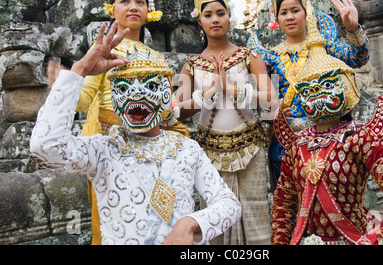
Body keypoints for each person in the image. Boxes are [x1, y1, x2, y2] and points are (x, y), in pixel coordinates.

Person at [29, 20, 241, 245]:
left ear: (167, 97)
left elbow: (229, 204)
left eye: (150, 86)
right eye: (123, 88)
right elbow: (44, 145)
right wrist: (80, 69)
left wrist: (190, 223)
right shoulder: (103, 150)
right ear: (115, 101)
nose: (136, 94)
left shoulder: (186, 148)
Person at [270, 8, 383, 245]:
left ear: (346, 87)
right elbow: (283, 205)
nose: (316, 95)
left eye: (326, 85)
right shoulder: (298, 145)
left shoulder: (360, 138)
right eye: (307, 91)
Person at [70, 0, 188, 244]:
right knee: (118, 221)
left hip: (154, 147)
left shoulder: (156, 57)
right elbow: (83, 101)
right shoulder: (104, 52)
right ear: (112, 9)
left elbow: (166, 107)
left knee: (157, 220)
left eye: (140, 1)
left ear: (150, 10)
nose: (133, 6)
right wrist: (70, 80)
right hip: (114, 149)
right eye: (125, 1)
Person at [176, 0, 277, 245]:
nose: (215, 19)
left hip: (251, 148)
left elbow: (272, 102)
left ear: (229, 15)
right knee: (215, 219)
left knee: (257, 214)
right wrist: (210, 92)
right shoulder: (191, 64)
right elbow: (179, 112)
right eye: (208, 14)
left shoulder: (249, 57)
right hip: (210, 153)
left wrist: (231, 89)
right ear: (199, 20)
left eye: (220, 13)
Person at [247, 0, 370, 185]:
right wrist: (272, 109)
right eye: (284, 13)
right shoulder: (270, 57)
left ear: (307, 13)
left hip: (330, 134)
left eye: (295, 10)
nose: (290, 17)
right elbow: (267, 104)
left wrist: (353, 29)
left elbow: (359, 59)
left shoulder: (324, 46)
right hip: (288, 140)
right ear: (277, 19)